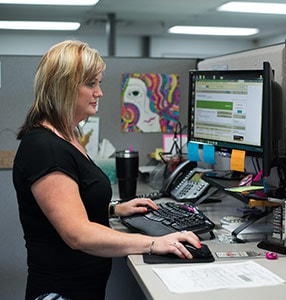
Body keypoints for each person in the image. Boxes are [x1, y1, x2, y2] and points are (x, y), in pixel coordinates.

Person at [12, 40, 201, 300]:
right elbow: (77, 234)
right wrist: (155, 243)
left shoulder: (67, 136)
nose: (99, 93)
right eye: (91, 84)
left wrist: (114, 208)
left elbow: (69, 202)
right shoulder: (45, 147)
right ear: (63, 88)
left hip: (83, 288)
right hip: (61, 293)